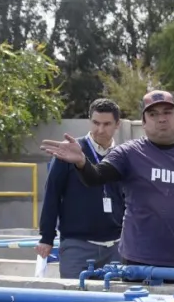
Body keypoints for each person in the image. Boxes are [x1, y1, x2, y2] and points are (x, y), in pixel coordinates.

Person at [40, 90, 174, 285]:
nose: (161, 119)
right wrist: (82, 162)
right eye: (153, 114)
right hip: (141, 264)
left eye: (167, 112)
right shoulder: (129, 153)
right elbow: (96, 177)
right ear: (143, 122)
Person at [37, 98, 126, 279]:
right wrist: (46, 237)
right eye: (96, 123)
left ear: (118, 124)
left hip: (116, 248)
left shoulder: (123, 155)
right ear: (89, 121)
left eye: (107, 124)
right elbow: (52, 193)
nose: (100, 129)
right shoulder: (70, 151)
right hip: (77, 246)